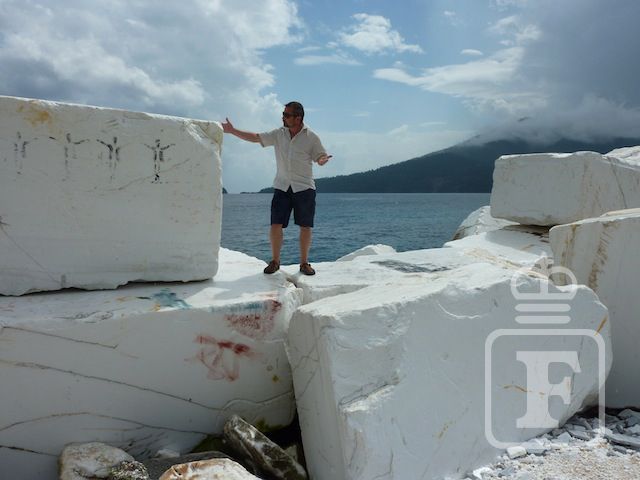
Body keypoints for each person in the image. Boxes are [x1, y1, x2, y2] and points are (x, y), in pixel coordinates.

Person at [222, 101, 332, 275]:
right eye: (283, 114)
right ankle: (275, 262)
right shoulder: (278, 134)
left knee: (305, 226)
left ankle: (304, 263)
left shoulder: (311, 137)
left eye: (287, 115)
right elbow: (256, 137)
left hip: (304, 187)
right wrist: (232, 130)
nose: (283, 117)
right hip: (282, 186)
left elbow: (320, 156)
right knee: (275, 225)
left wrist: (322, 160)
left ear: (298, 118)